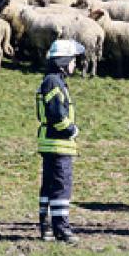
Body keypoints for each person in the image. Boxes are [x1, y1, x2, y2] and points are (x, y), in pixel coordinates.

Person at [36, 39, 85, 243]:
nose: (75, 64)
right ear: (63, 61)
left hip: (51, 144)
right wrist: (72, 129)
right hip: (59, 144)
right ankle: (61, 229)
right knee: (61, 187)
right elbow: (57, 114)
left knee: (49, 187)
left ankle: (46, 226)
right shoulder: (54, 82)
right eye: (72, 60)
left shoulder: (50, 80)